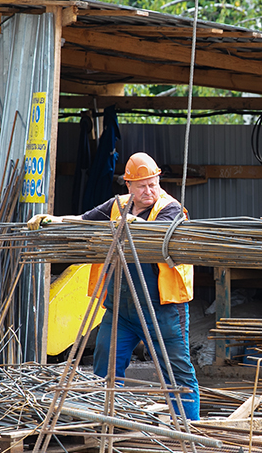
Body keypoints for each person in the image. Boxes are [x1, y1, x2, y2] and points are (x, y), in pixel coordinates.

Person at [28, 152, 200, 420]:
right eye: (141, 185)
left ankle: (189, 428)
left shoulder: (171, 208)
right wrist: (52, 219)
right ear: (128, 185)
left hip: (163, 310)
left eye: (153, 183)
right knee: (105, 370)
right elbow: (84, 220)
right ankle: (105, 425)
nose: (149, 190)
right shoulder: (116, 206)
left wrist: (135, 224)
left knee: (176, 372)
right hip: (121, 309)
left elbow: (158, 238)